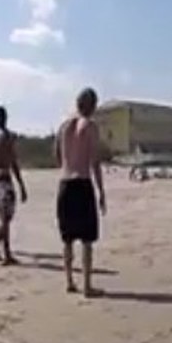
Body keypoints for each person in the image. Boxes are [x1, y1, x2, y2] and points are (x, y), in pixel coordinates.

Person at [56, 87, 107, 296]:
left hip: (65, 184)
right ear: (92, 106)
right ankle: (86, 285)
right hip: (82, 184)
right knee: (87, 240)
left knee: (67, 239)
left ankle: (69, 281)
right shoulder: (90, 126)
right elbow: (94, 161)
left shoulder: (63, 127)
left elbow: (57, 155)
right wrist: (101, 191)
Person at [0, 106, 28, 265]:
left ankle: (7, 253)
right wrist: (21, 184)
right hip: (4, 178)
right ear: (5, 117)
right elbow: (13, 161)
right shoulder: (7, 136)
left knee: (3, 217)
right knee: (7, 217)